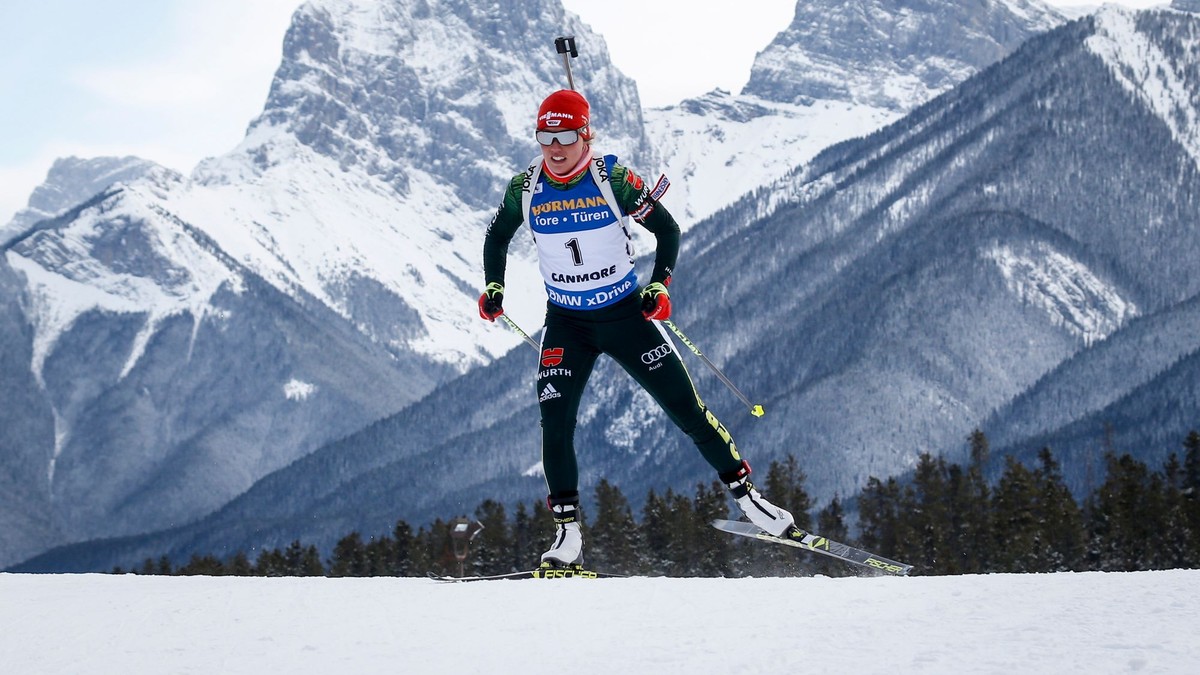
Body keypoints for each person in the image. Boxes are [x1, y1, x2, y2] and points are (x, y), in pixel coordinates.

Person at [479, 89, 796, 568]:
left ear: (585, 135)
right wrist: (494, 287)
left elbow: (667, 230)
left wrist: (659, 286)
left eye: (565, 136)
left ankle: (749, 498)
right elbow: (497, 234)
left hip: (626, 316)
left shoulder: (614, 179)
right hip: (567, 324)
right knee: (555, 423)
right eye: (545, 136)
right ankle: (567, 535)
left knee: (687, 410)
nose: (554, 147)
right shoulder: (525, 187)